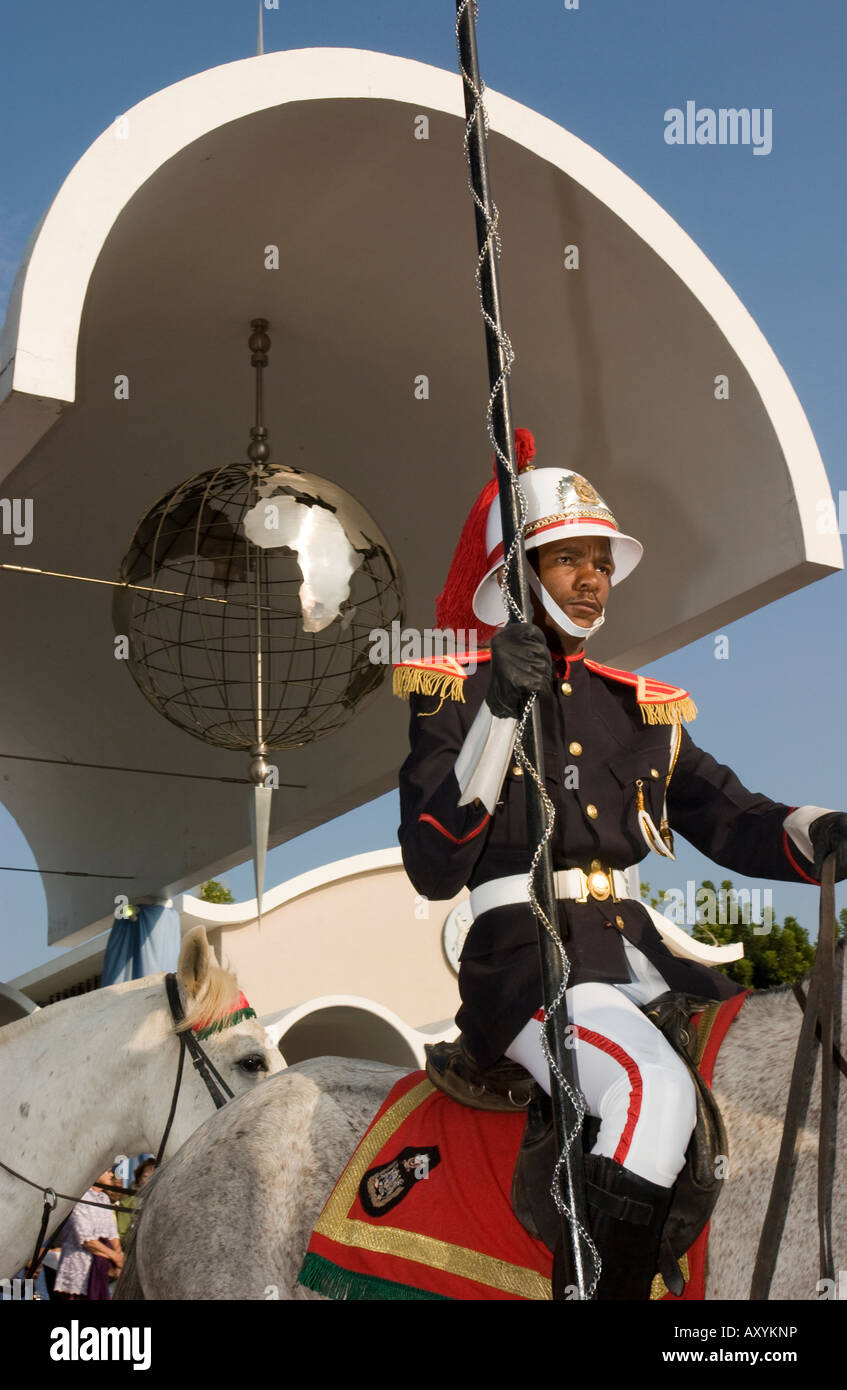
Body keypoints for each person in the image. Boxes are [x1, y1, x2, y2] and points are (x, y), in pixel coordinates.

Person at [395, 429, 847, 1299]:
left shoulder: (636, 707)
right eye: (567, 559)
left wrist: (818, 825)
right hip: (529, 961)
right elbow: (431, 861)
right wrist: (500, 706)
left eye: (598, 561)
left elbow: (728, 812)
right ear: (513, 577)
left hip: (647, 956)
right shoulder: (452, 687)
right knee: (652, 1094)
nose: (591, 578)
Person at [52, 1170, 124, 1300]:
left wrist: (118, 1257)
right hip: (79, 1272)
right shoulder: (79, 1197)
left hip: (100, 1270)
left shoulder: (104, 1198)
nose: (112, 1175)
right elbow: (87, 1241)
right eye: (107, 1171)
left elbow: (112, 1233)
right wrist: (115, 1257)